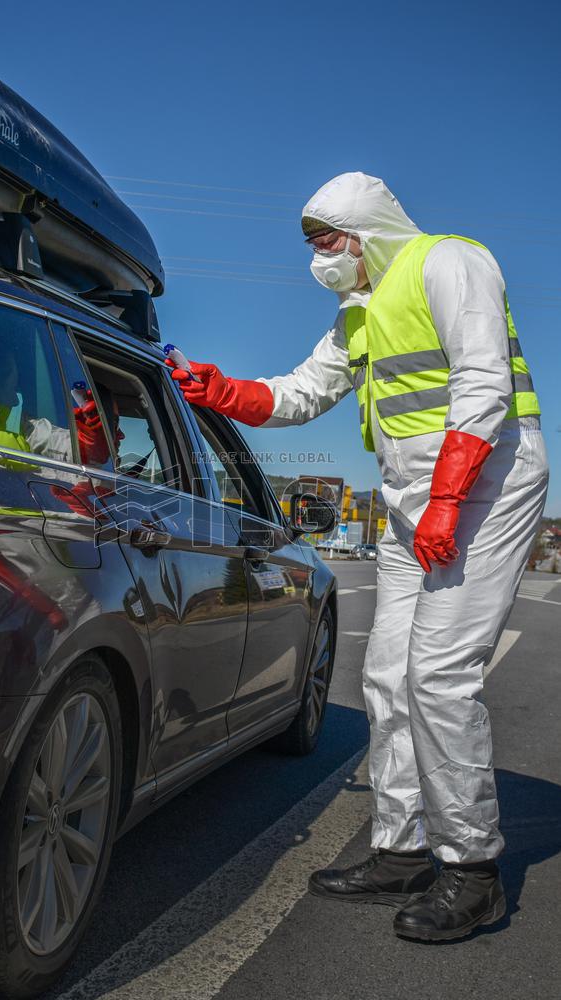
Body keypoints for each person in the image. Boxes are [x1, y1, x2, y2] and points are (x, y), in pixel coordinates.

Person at [169, 172, 549, 941]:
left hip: (486, 484)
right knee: (387, 675)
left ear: (367, 229)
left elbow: (483, 383)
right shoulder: (358, 312)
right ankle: (401, 848)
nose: (320, 261)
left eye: (327, 243)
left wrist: (448, 497)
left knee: (438, 676)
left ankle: (472, 872)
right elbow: (302, 394)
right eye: (312, 248)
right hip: (412, 497)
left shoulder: (449, 261)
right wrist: (219, 391)